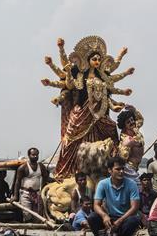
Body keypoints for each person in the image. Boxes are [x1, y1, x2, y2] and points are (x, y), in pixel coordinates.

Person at [41, 35, 134, 179]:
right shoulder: (79, 76)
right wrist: (59, 52)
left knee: (111, 130)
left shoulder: (103, 77)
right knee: (69, 141)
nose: (97, 61)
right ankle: (68, 173)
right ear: (87, 60)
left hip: (100, 115)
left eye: (98, 59)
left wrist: (119, 100)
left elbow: (108, 95)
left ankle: (110, 168)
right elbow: (68, 84)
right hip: (81, 113)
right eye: (94, 59)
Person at [88, 157, 142, 236]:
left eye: (123, 169)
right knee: (92, 218)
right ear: (110, 170)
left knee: (134, 220)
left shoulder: (131, 184)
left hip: (126, 218)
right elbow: (96, 205)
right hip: (111, 218)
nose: (121, 172)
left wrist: (120, 221)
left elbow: (134, 208)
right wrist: (104, 216)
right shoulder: (103, 184)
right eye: (118, 169)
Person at [12, 147, 52, 222]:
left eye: (37, 155)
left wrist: (55, 181)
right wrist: (15, 196)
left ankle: (36, 229)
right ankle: (27, 227)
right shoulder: (23, 167)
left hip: (37, 193)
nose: (35, 156)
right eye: (33, 155)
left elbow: (46, 178)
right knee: (27, 214)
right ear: (29, 155)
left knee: (37, 216)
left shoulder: (41, 166)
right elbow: (17, 182)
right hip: (25, 194)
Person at [116, 106, 145, 180]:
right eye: (128, 122)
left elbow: (140, 120)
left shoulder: (135, 129)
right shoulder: (126, 141)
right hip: (129, 170)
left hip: (136, 168)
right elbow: (122, 160)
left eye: (132, 120)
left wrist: (134, 110)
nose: (131, 122)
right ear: (124, 126)